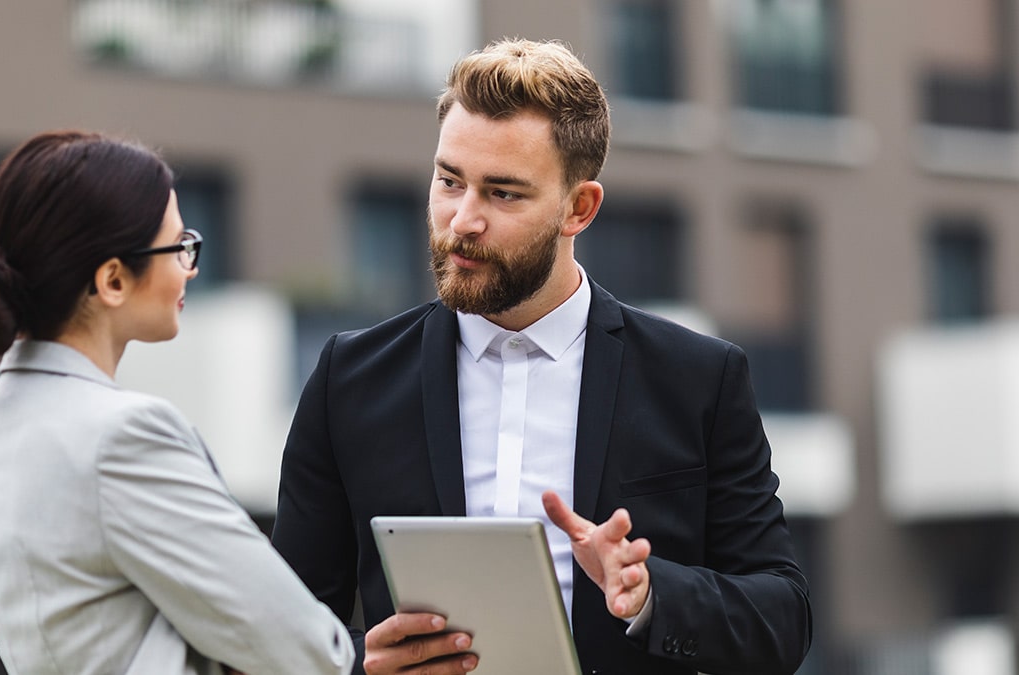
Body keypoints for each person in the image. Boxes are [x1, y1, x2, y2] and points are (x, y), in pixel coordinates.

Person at [271, 39, 812, 675]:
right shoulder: (350, 380)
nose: (462, 219)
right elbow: (284, 628)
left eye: (502, 194)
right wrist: (364, 665)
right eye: (449, 181)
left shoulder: (697, 379)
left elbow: (784, 617)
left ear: (578, 208)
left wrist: (651, 594)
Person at [0, 130, 354, 675]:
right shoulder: (122, 436)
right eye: (178, 245)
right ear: (112, 279)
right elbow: (305, 649)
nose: (191, 266)